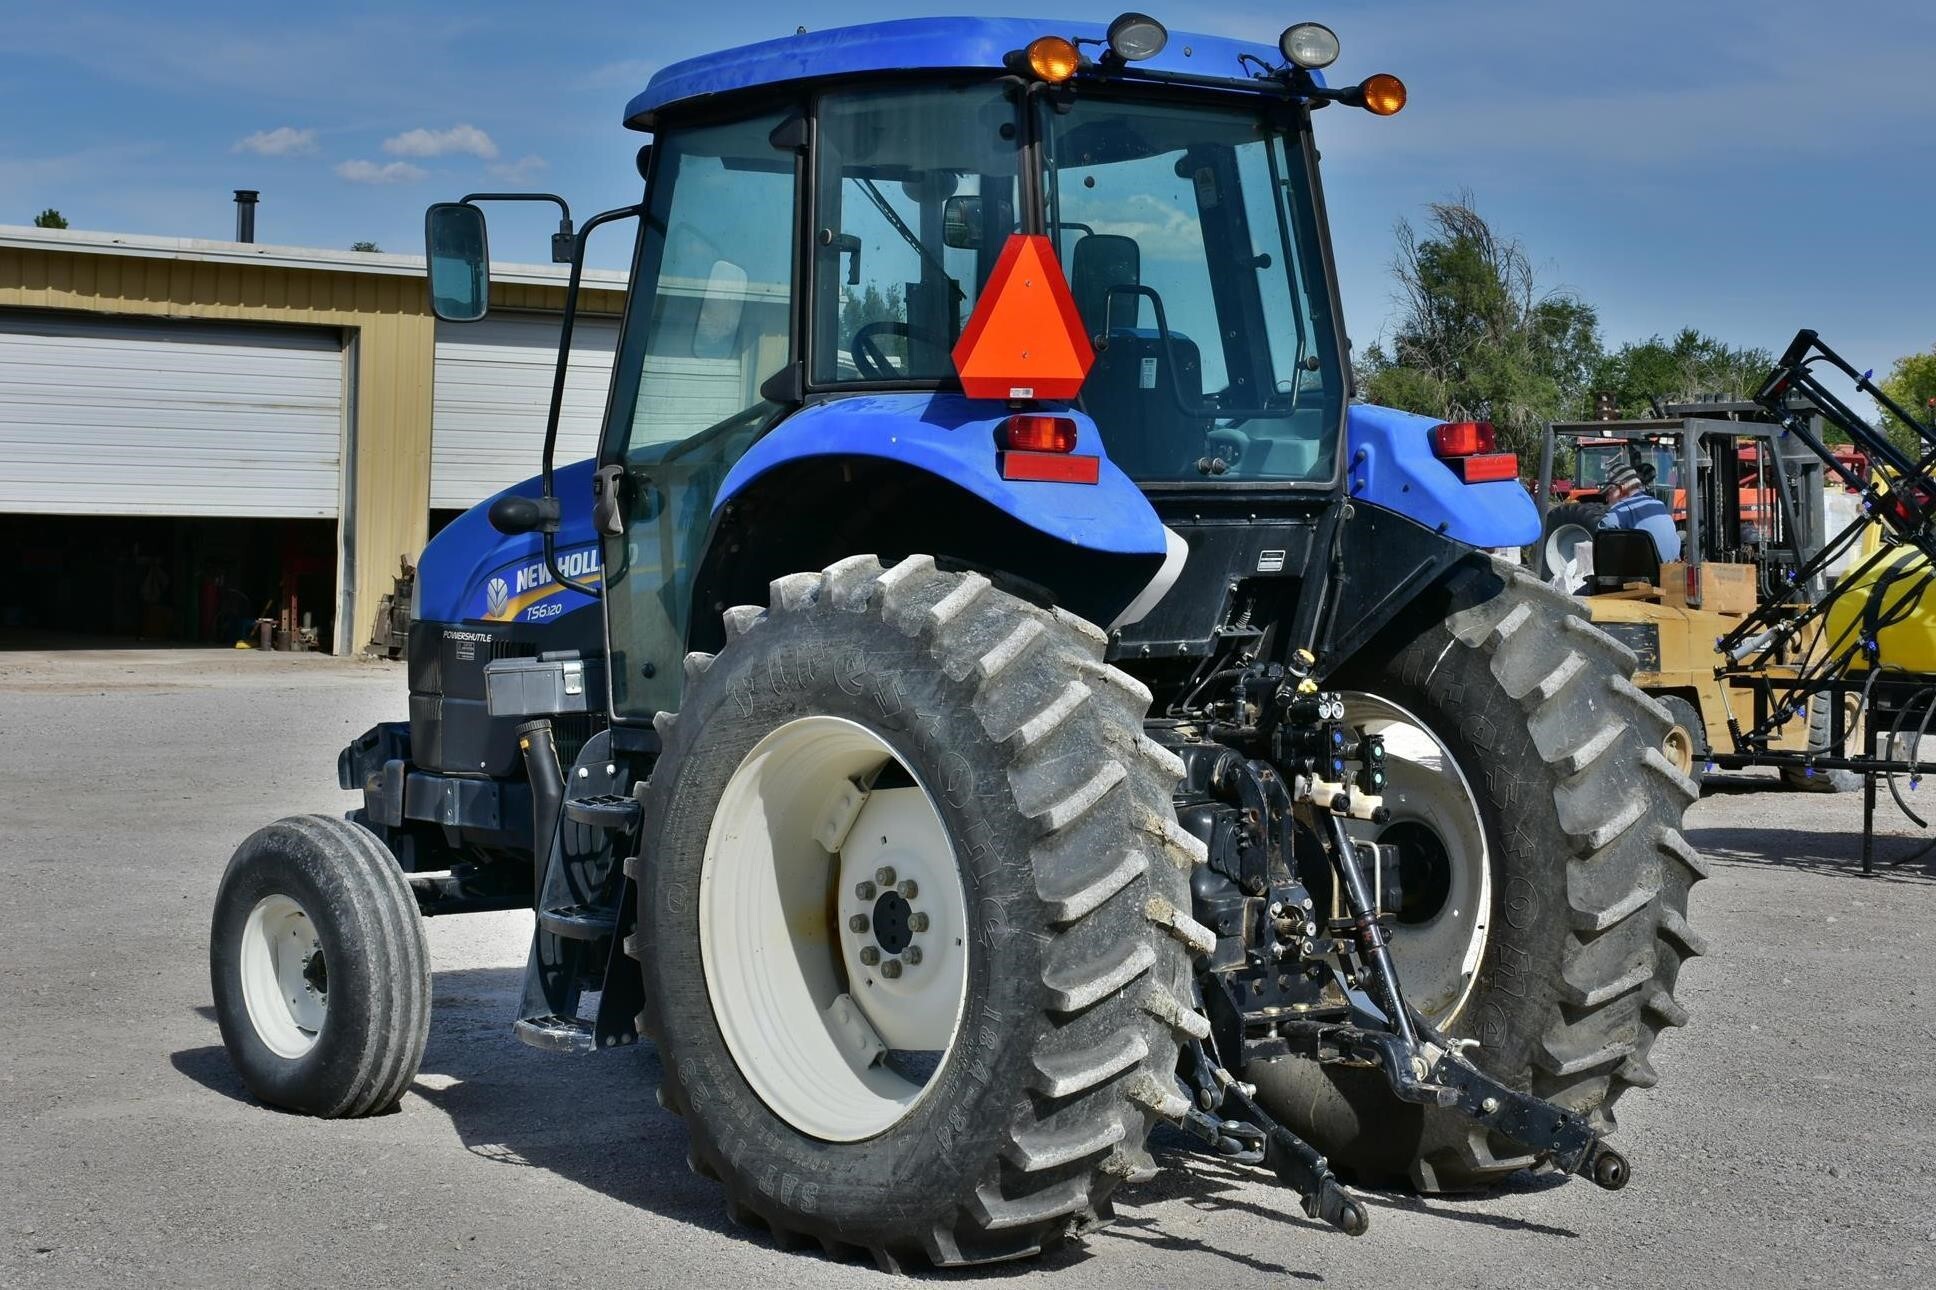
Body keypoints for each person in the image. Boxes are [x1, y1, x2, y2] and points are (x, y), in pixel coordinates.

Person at [1597, 460, 1682, 562]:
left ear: (1622, 487)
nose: (1607, 499)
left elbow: (1599, 536)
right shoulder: (1660, 505)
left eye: (1608, 492)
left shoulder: (1620, 511)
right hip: (1672, 571)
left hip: (1646, 576)